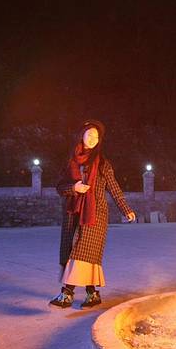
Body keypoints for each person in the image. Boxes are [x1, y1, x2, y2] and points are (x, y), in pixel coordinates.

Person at [49, 120, 136, 309]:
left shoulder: (103, 163)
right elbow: (59, 187)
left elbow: (114, 188)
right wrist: (74, 187)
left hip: (94, 215)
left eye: (96, 137)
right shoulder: (70, 161)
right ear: (82, 135)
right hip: (73, 213)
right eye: (89, 134)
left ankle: (67, 293)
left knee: (82, 252)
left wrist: (126, 209)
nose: (93, 139)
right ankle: (92, 294)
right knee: (75, 252)